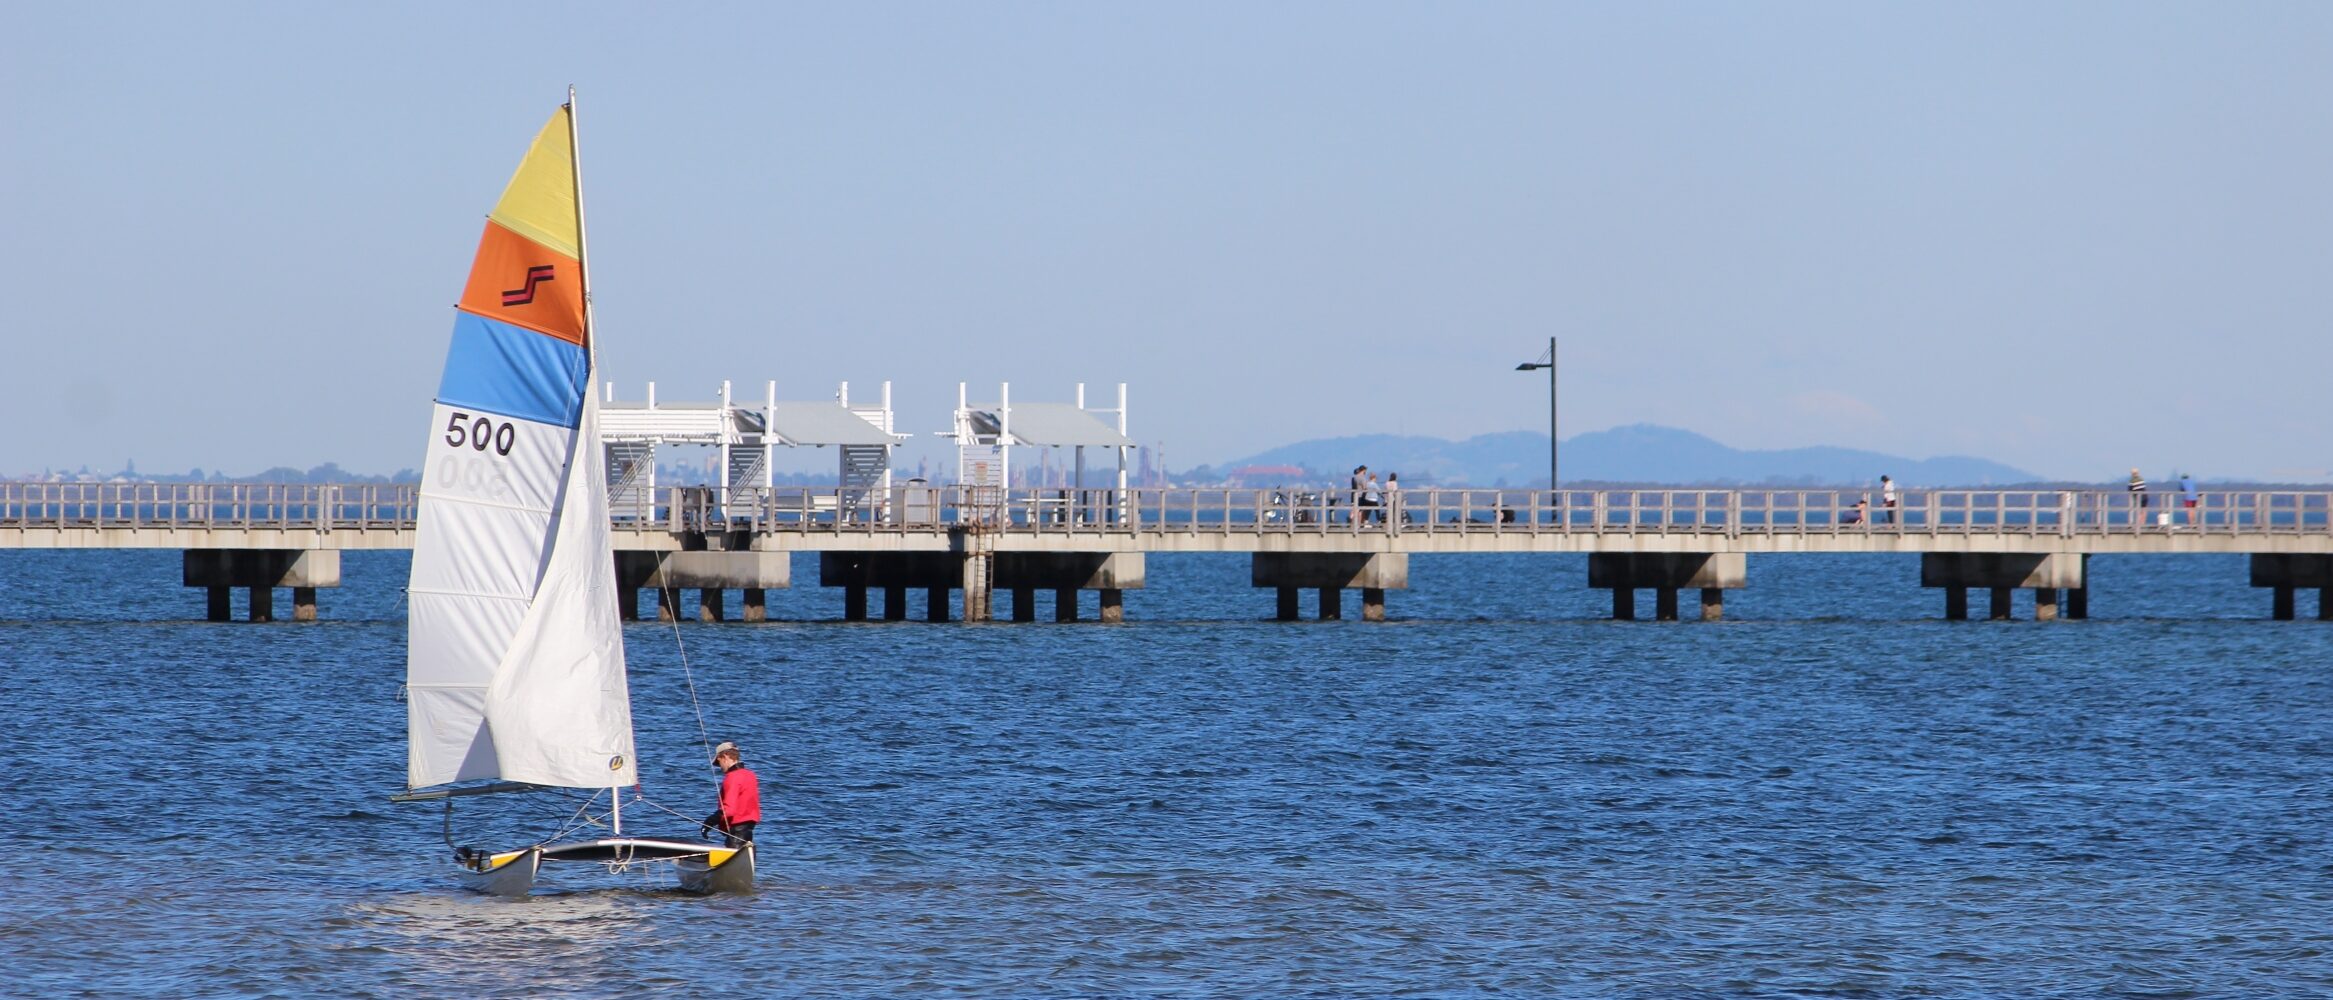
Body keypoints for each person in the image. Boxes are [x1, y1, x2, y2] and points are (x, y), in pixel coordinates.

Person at [701, 741, 760, 848]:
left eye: (719, 762)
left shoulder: (732, 777)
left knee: (735, 859)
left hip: (736, 834)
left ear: (725, 756)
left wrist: (709, 823)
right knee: (746, 857)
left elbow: (729, 810)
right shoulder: (751, 775)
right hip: (748, 832)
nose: (720, 767)